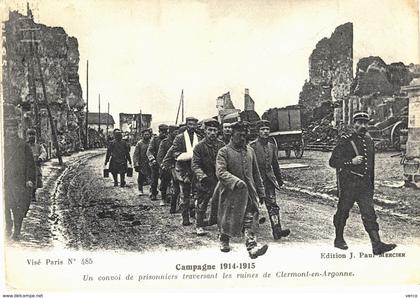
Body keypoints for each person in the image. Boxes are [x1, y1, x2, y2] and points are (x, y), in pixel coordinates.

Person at [329, 111, 396, 255]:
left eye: (365, 123)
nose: (363, 126)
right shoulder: (345, 140)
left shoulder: (369, 141)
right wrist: (350, 162)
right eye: (359, 123)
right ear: (354, 124)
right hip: (349, 185)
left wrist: (371, 185)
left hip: (364, 186)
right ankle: (339, 239)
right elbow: (333, 162)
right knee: (343, 212)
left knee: (369, 214)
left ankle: (377, 244)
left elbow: (370, 166)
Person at [215, 121, 268, 259]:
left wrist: (261, 192)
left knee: (249, 219)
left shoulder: (250, 151)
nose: (243, 139)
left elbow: (256, 173)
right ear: (232, 135)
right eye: (239, 135)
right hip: (230, 192)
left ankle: (252, 247)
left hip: (249, 193)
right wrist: (235, 181)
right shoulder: (224, 152)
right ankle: (224, 239)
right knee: (227, 218)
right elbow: (220, 172)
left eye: (245, 135)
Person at [250, 120, 290, 240]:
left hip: (268, 180)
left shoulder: (272, 146)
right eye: (262, 129)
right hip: (255, 180)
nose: (265, 131)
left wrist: (279, 179)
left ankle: (277, 230)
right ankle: (247, 229)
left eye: (267, 129)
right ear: (258, 132)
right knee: (251, 205)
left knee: (273, 205)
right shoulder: (251, 147)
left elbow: (275, 165)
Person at [191, 119, 225, 236]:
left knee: (222, 203)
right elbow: (195, 165)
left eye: (214, 130)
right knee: (202, 202)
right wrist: (203, 177)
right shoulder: (199, 147)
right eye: (209, 130)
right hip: (204, 180)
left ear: (217, 131)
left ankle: (221, 225)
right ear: (205, 131)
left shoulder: (222, 145)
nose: (212, 133)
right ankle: (199, 225)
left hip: (219, 179)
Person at [4, 118, 36, 240]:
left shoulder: (23, 146)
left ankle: (17, 230)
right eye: (9, 130)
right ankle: (8, 227)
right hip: (5, 180)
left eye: (14, 129)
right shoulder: (3, 144)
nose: (12, 132)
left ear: (17, 129)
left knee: (18, 206)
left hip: (19, 181)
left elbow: (30, 164)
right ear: (6, 130)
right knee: (5, 206)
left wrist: (29, 179)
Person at [165, 117, 200, 226]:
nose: (192, 127)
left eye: (194, 125)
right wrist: (186, 156)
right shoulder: (179, 138)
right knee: (185, 194)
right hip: (183, 169)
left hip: (196, 169)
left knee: (196, 193)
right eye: (190, 124)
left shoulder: (198, 137)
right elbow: (174, 152)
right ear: (186, 125)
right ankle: (185, 217)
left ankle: (193, 212)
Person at [157, 125, 179, 208]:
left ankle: (174, 201)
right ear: (170, 132)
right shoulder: (164, 142)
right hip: (166, 166)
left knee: (176, 184)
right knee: (164, 182)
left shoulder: (178, 141)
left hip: (176, 166)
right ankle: (162, 198)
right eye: (175, 132)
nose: (176, 133)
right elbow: (160, 156)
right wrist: (162, 165)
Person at [146, 124, 169, 201]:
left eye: (165, 132)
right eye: (162, 132)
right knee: (154, 179)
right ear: (159, 132)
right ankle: (153, 193)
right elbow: (149, 151)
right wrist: (152, 159)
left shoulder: (168, 140)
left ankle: (165, 194)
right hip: (155, 163)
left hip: (164, 162)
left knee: (165, 179)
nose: (164, 134)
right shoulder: (155, 139)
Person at [26, 128, 47, 201]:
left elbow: (44, 152)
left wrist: (40, 158)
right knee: (27, 179)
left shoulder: (38, 146)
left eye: (33, 135)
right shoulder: (25, 145)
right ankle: (28, 194)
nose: (31, 136)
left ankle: (33, 194)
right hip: (27, 166)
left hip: (36, 165)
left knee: (36, 179)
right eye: (29, 135)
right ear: (27, 136)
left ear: (35, 136)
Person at [133, 128, 152, 195]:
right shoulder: (139, 143)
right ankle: (140, 190)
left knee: (151, 177)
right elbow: (136, 154)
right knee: (141, 177)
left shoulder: (151, 142)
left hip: (150, 162)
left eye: (148, 134)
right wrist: (136, 163)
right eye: (145, 134)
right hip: (142, 163)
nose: (147, 136)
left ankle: (151, 190)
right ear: (142, 135)